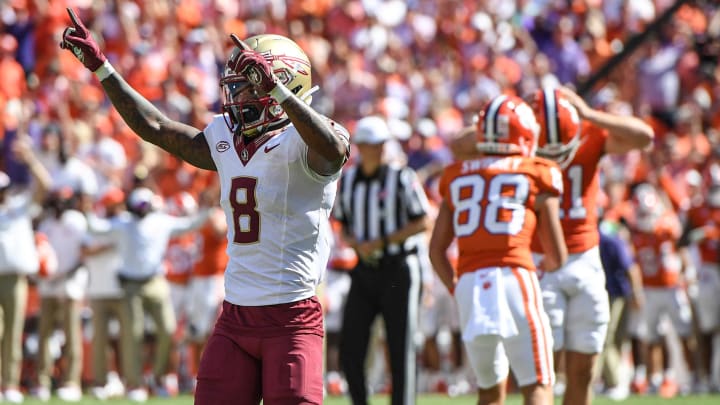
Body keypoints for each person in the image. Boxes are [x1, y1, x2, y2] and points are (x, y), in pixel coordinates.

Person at [60, 8, 349, 405]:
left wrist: (277, 92)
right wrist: (102, 67)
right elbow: (157, 128)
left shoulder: (310, 142)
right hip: (235, 315)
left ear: (285, 85)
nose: (240, 95)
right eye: (241, 85)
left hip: (292, 316)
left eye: (250, 85)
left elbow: (332, 151)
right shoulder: (227, 138)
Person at [432, 94, 567, 405]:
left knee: (490, 389)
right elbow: (557, 254)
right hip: (515, 275)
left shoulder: (457, 174)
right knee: (538, 383)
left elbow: (436, 250)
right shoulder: (535, 170)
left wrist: (458, 287)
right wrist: (544, 265)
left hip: (469, 284)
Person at [333, 115, 431, 405]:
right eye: (370, 145)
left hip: (398, 268)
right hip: (364, 270)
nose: (375, 150)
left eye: (379, 144)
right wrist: (356, 245)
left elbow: (423, 220)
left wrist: (385, 241)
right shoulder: (348, 179)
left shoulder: (402, 177)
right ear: (360, 146)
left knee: (401, 347)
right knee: (351, 348)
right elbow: (344, 225)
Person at [0, 135, 52, 404]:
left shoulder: (19, 207)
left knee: (12, 332)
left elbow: (44, 185)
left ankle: (9, 384)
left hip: (15, 278)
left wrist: (30, 159)